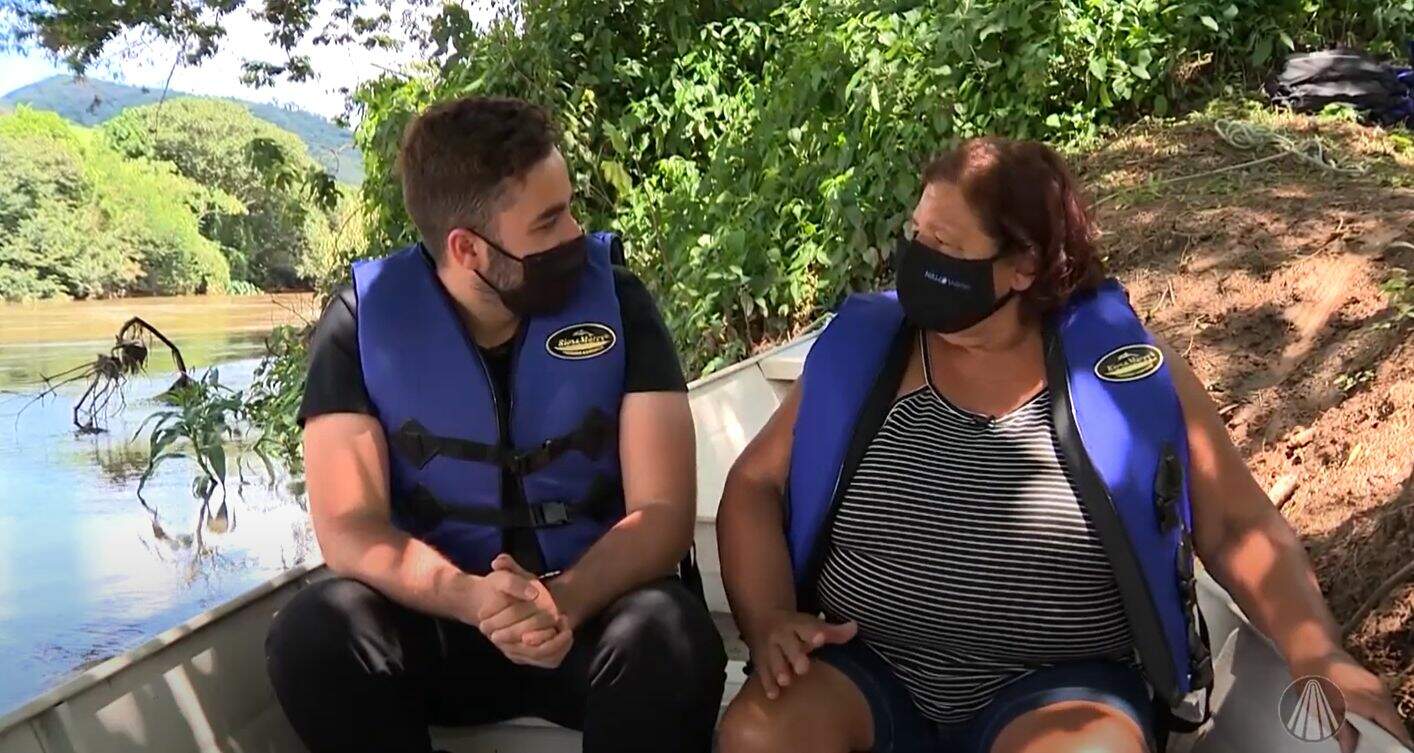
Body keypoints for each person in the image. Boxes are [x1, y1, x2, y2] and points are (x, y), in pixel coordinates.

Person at [714, 137, 1411, 753]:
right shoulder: (868, 358)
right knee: (758, 731)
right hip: (868, 668)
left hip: (1057, 690)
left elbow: (1235, 524)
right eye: (916, 235)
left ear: (1023, 265)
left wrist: (1318, 651)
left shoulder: (1123, 376)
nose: (918, 260)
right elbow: (753, 485)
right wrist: (770, 618)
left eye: (945, 248)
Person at [265, 96, 726, 753]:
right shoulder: (360, 324)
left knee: (674, 636)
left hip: (593, 617)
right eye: (549, 220)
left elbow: (663, 512)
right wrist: (470, 598)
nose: (575, 233)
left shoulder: (620, 302)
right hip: (444, 625)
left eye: (569, 208)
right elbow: (348, 526)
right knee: (312, 634)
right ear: (468, 248)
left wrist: (562, 601)